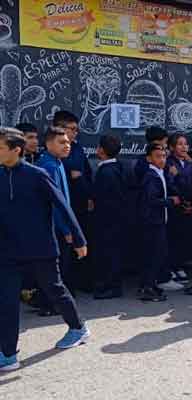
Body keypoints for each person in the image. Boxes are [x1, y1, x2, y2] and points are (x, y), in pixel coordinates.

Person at [0, 128, 90, 372]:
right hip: (8, 251)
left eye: (0, 147)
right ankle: (8, 354)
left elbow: (62, 205)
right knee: (6, 300)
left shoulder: (37, 175)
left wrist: (79, 240)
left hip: (40, 247)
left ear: (15, 150)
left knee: (55, 290)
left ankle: (78, 328)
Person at [36, 126, 75, 315]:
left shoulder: (57, 162)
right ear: (48, 144)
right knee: (55, 268)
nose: (67, 145)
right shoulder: (48, 166)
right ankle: (48, 305)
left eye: (68, 142)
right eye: (61, 142)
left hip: (60, 224)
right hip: (55, 226)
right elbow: (54, 203)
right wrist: (66, 229)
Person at [54, 111, 93, 292]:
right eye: (72, 129)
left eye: (77, 130)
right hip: (62, 206)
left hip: (80, 203)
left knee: (80, 244)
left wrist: (89, 196)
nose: (75, 133)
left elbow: (84, 171)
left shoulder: (77, 148)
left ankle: (80, 282)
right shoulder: (52, 155)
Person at [139, 144, 181, 302]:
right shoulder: (151, 176)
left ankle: (151, 283)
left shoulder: (159, 173)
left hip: (158, 221)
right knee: (153, 255)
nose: (162, 159)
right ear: (149, 158)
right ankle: (147, 287)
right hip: (152, 223)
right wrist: (170, 201)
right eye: (158, 156)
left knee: (157, 254)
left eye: (164, 156)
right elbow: (151, 200)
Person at [92, 134, 126, 300]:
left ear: (102, 150)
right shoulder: (117, 167)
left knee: (109, 254)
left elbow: (105, 198)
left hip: (108, 220)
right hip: (116, 219)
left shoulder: (106, 172)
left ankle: (111, 286)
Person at [166, 133, 192, 283]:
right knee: (174, 237)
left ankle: (181, 265)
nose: (184, 147)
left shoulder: (191, 163)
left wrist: (191, 201)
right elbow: (171, 184)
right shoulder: (169, 163)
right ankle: (173, 267)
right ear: (172, 147)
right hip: (176, 206)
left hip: (189, 205)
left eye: (185, 144)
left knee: (185, 238)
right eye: (180, 144)